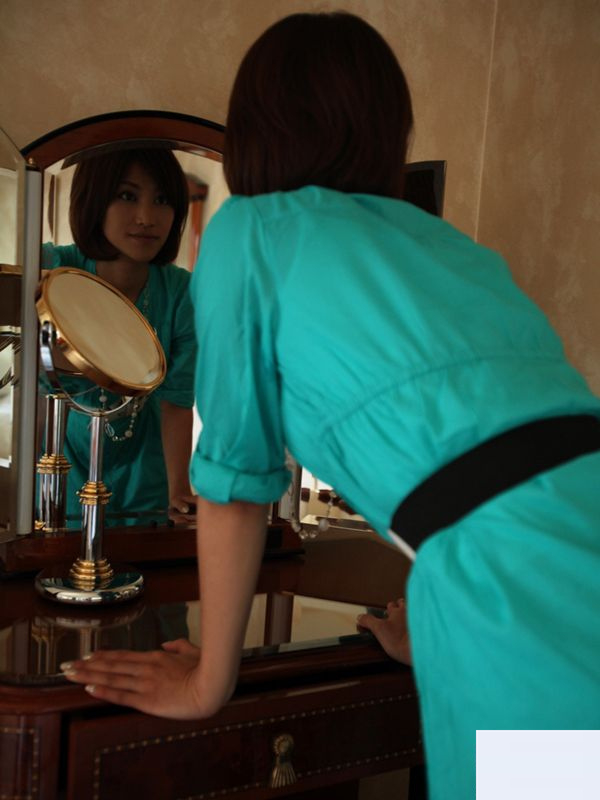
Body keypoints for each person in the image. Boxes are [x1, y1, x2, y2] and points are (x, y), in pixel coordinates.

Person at [60, 12, 600, 800]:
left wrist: (209, 682)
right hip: (553, 552)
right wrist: (437, 607)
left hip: (516, 591)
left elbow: (236, 480)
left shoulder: (249, 233)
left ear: (256, 128)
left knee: (541, 787)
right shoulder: (451, 247)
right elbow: (506, 442)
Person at [41, 148, 196, 526]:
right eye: (127, 195)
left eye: (162, 200)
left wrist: (179, 491)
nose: (146, 217)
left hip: (146, 486)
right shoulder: (52, 269)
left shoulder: (181, 293)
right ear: (93, 199)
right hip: (55, 480)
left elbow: (176, 402)